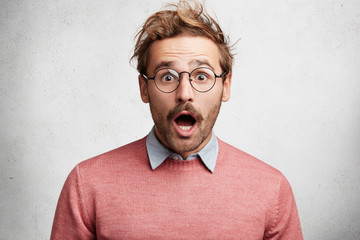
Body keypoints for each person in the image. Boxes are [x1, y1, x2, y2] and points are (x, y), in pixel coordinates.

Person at [51, 0, 303, 239]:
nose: (185, 93)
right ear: (144, 88)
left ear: (225, 86)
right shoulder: (86, 184)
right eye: (167, 76)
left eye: (201, 76)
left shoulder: (272, 189)